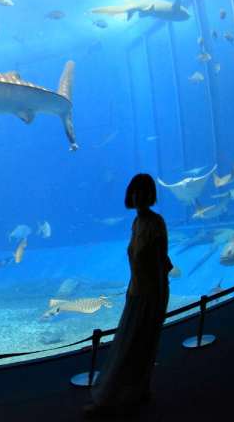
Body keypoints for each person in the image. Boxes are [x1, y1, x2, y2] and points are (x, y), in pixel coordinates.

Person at [84, 173, 173, 417]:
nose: (139, 196)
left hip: (151, 295)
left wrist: (157, 299)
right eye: (135, 191)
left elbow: (161, 262)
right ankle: (133, 392)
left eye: (143, 191)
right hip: (135, 294)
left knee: (138, 345)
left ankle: (111, 398)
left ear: (150, 195)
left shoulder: (156, 223)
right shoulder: (137, 223)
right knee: (129, 345)